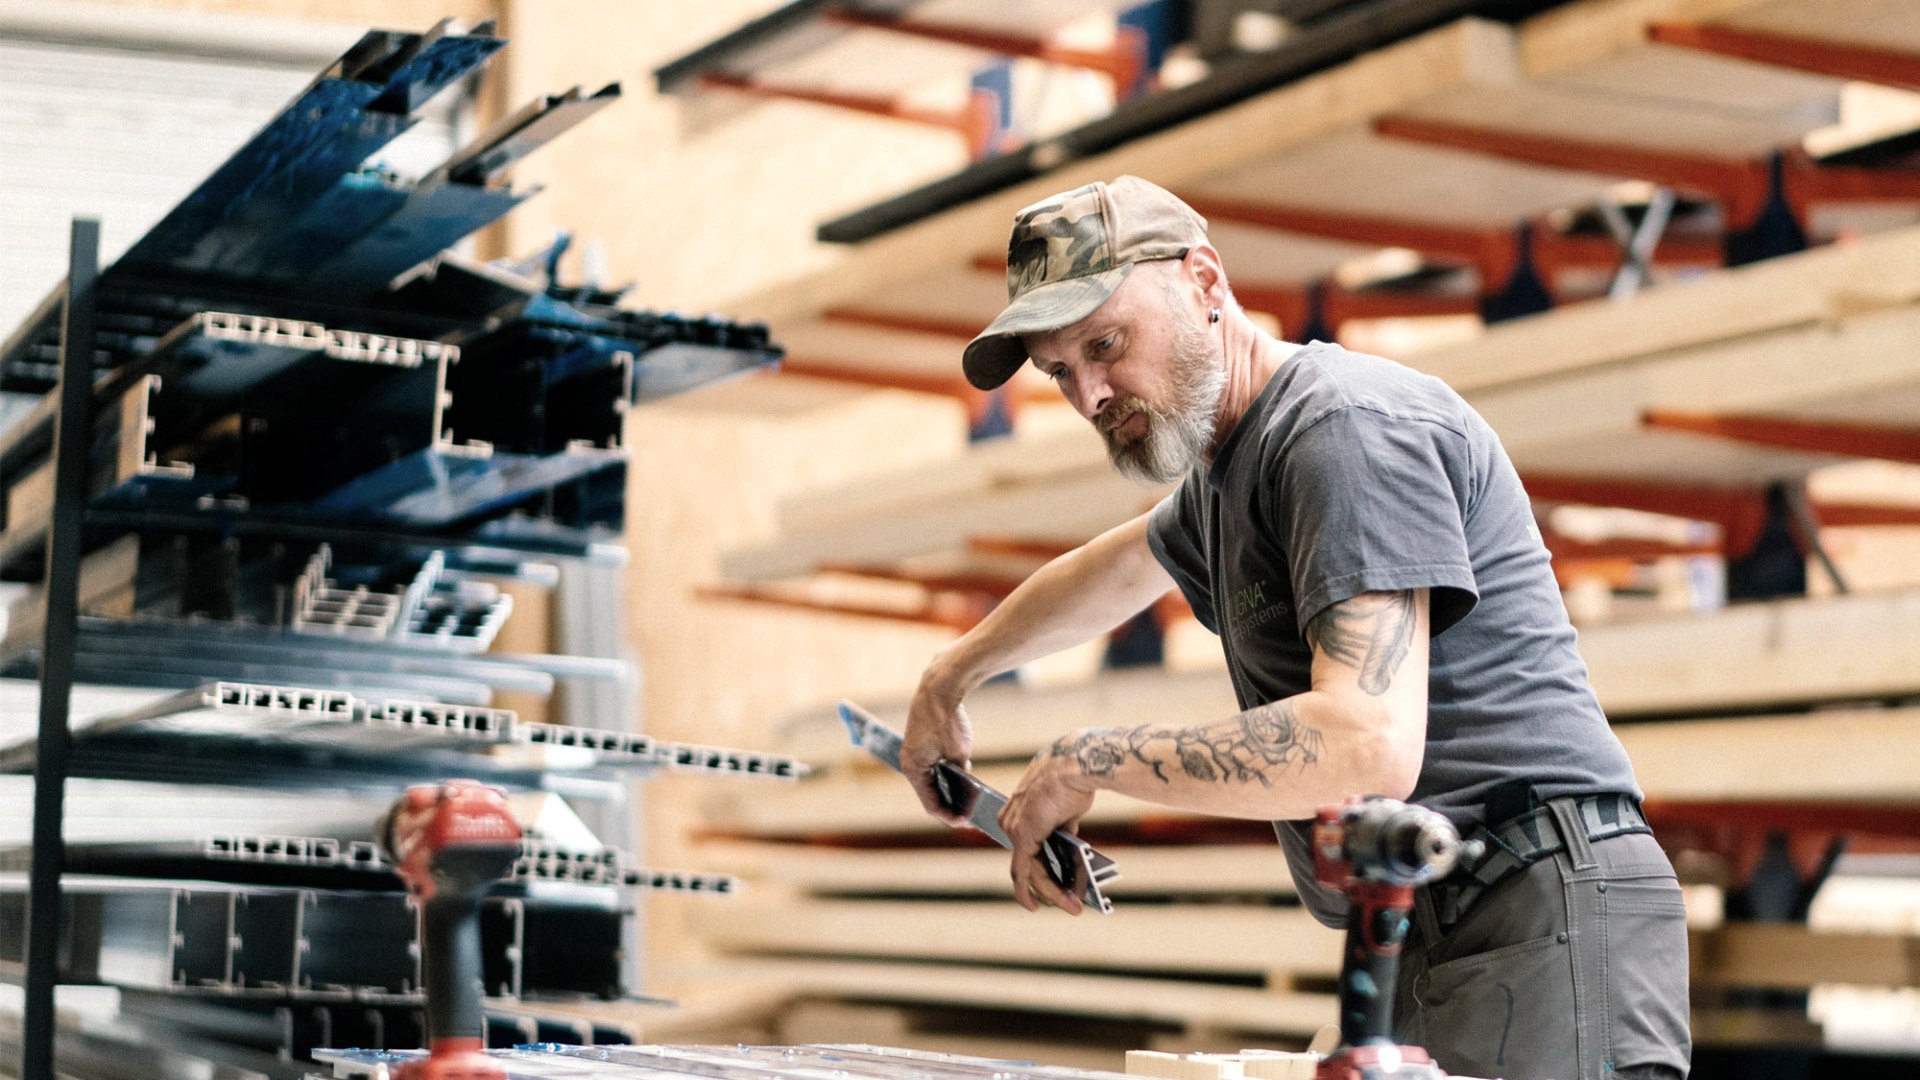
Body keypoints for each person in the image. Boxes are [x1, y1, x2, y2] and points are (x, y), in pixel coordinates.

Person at [899, 175, 1690, 1080]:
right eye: (1061, 371)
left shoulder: (1342, 431)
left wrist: (1090, 759)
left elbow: (1364, 744)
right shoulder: (1231, 471)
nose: (1090, 394)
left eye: (1106, 343)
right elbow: (1112, 573)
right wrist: (949, 677)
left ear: (1204, 283)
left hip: (1537, 909)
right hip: (1446, 920)